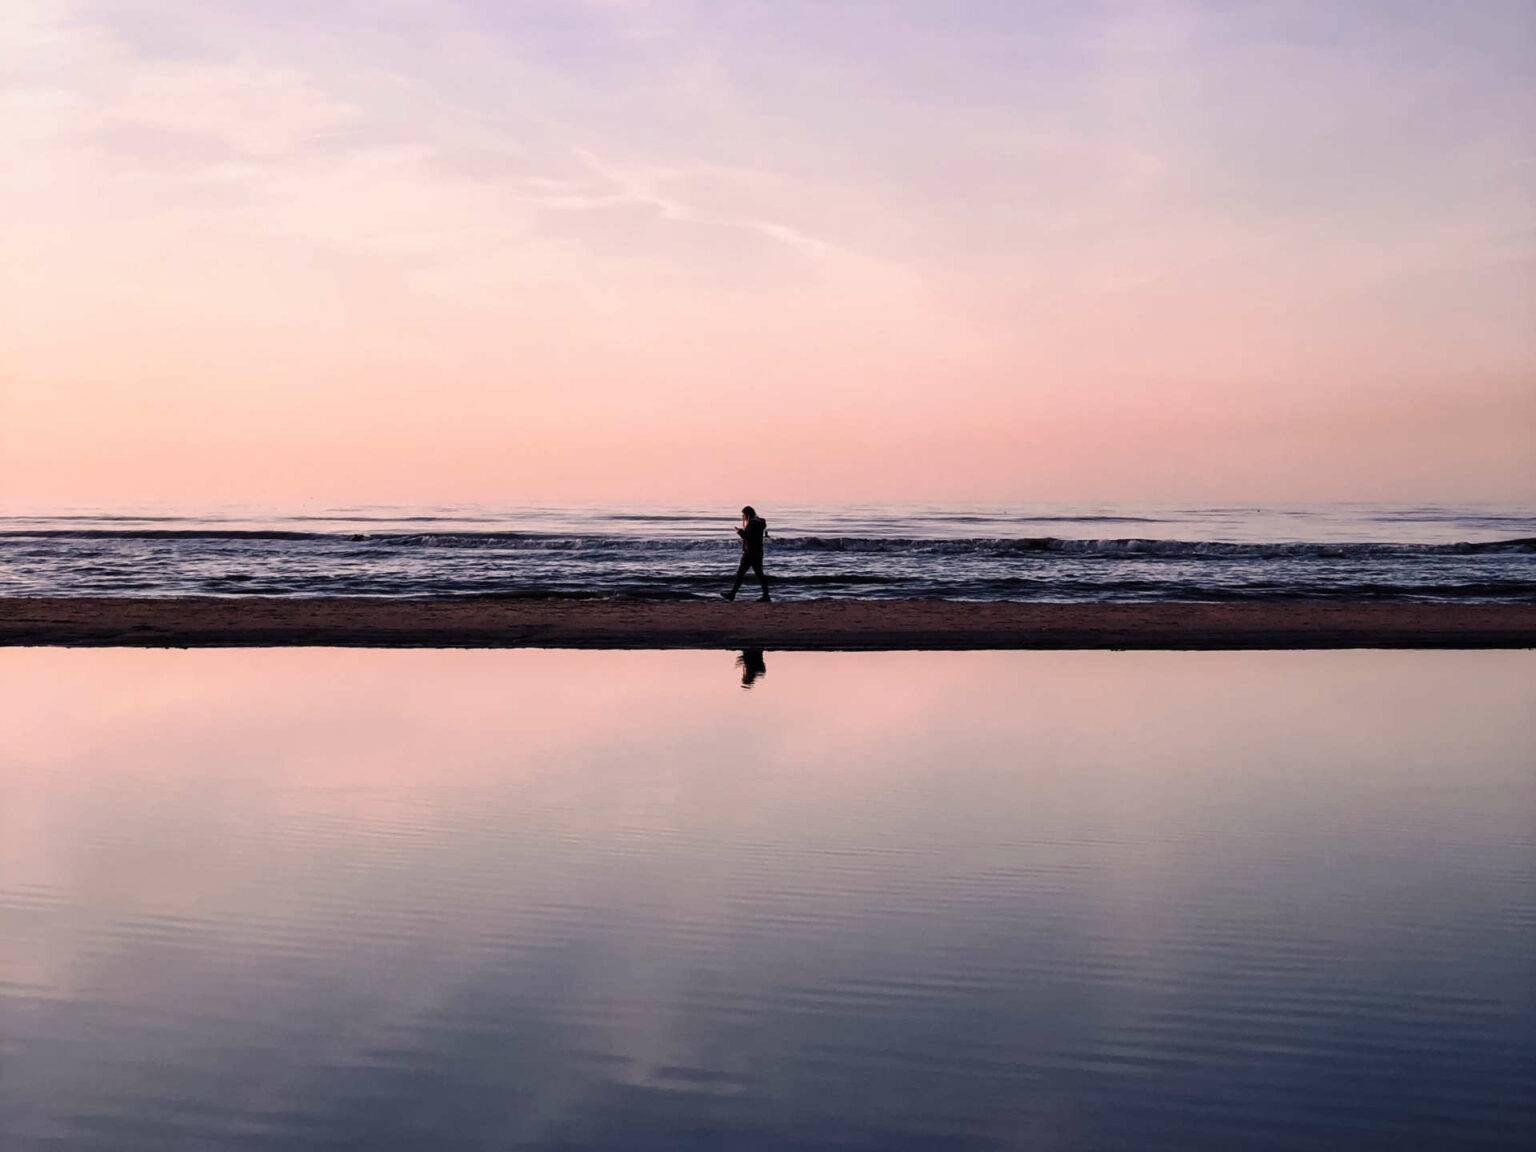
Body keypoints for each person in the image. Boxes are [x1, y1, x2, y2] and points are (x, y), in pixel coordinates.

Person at [723, 505, 770, 602]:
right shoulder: (759, 522)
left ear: (747, 514)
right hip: (758, 552)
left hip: (749, 553)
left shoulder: (752, 524)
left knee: (740, 574)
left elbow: (749, 538)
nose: (743, 517)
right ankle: (766, 595)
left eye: (743, 515)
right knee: (759, 574)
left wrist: (739, 531)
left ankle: (732, 594)